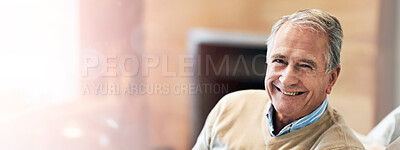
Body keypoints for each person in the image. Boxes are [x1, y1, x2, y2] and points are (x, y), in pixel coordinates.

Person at [192, 9, 365, 149]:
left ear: (331, 79)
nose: (287, 79)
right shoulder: (230, 107)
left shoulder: (339, 147)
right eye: (279, 61)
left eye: (305, 65)